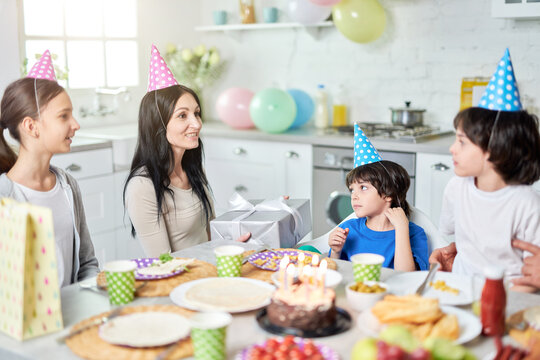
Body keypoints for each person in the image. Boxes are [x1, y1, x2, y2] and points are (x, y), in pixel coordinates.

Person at [429, 49, 540, 292]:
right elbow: (458, 241)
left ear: (493, 148)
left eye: (462, 141)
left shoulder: (527, 203)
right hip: (459, 291)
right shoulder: (456, 187)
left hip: (510, 298)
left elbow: (533, 274)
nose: (452, 149)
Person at [124, 45, 248, 257]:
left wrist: (262, 221)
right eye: (182, 116)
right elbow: (163, 263)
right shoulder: (142, 186)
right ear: (158, 125)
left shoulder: (192, 168)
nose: (196, 124)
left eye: (197, 113)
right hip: (180, 282)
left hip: (209, 272)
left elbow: (210, 239)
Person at [0, 50, 99, 286]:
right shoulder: (4, 197)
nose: (75, 124)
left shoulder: (67, 186)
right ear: (31, 126)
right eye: (64, 116)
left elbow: (87, 263)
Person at [328, 125, 429, 271]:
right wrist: (336, 252)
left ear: (388, 193)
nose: (354, 196)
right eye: (352, 190)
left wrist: (401, 229)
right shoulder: (347, 229)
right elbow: (335, 273)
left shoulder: (414, 233)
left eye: (363, 188)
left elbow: (407, 276)